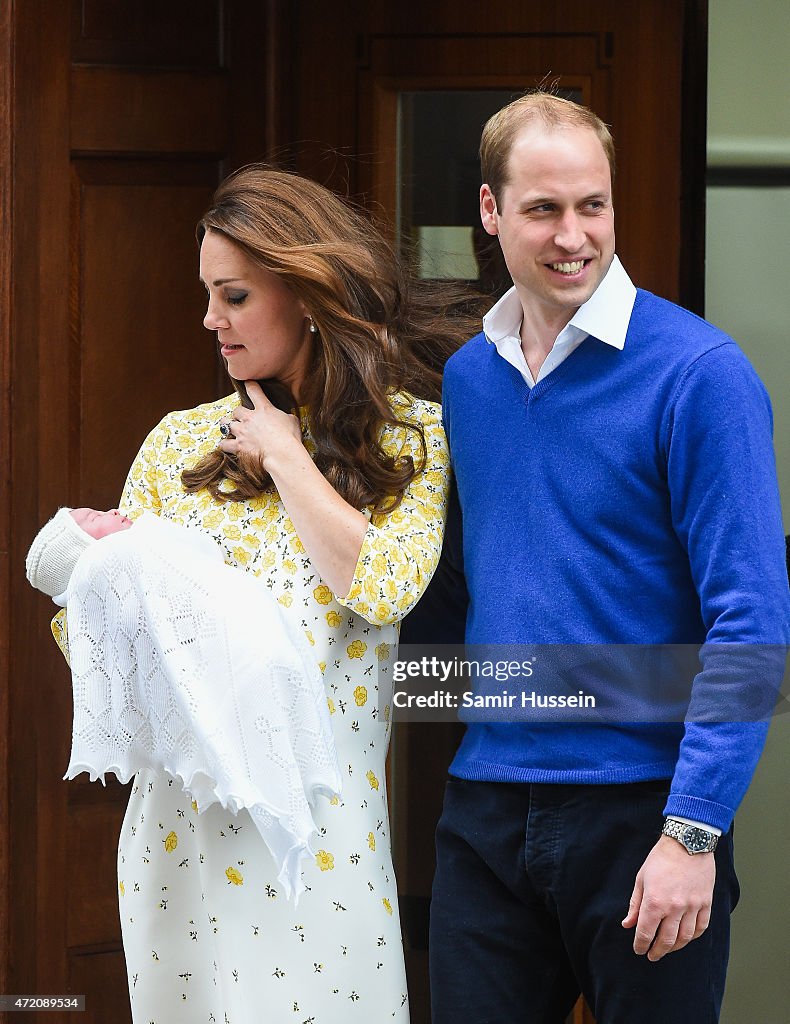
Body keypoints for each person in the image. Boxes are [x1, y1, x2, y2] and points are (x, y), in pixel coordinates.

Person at [41, 164, 479, 1023]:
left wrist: (286, 455)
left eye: (234, 295)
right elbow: (89, 643)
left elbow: (383, 587)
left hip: (326, 848)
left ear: (306, 294)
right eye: (208, 294)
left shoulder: (410, 436)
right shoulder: (176, 444)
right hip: (179, 845)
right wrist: (101, 574)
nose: (211, 319)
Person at [429, 92, 790, 1023]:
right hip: (487, 808)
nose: (572, 235)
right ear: (490, 211)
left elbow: (750, 620)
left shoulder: (700, 376)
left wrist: (694, 830)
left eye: (593, 205)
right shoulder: (469, 379)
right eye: (544, 209)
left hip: (646, 813)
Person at [26, 505, 342, 902]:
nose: (112, 510)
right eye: (92, 520)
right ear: (85, 551)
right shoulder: (118, 560)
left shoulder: (134, 555)